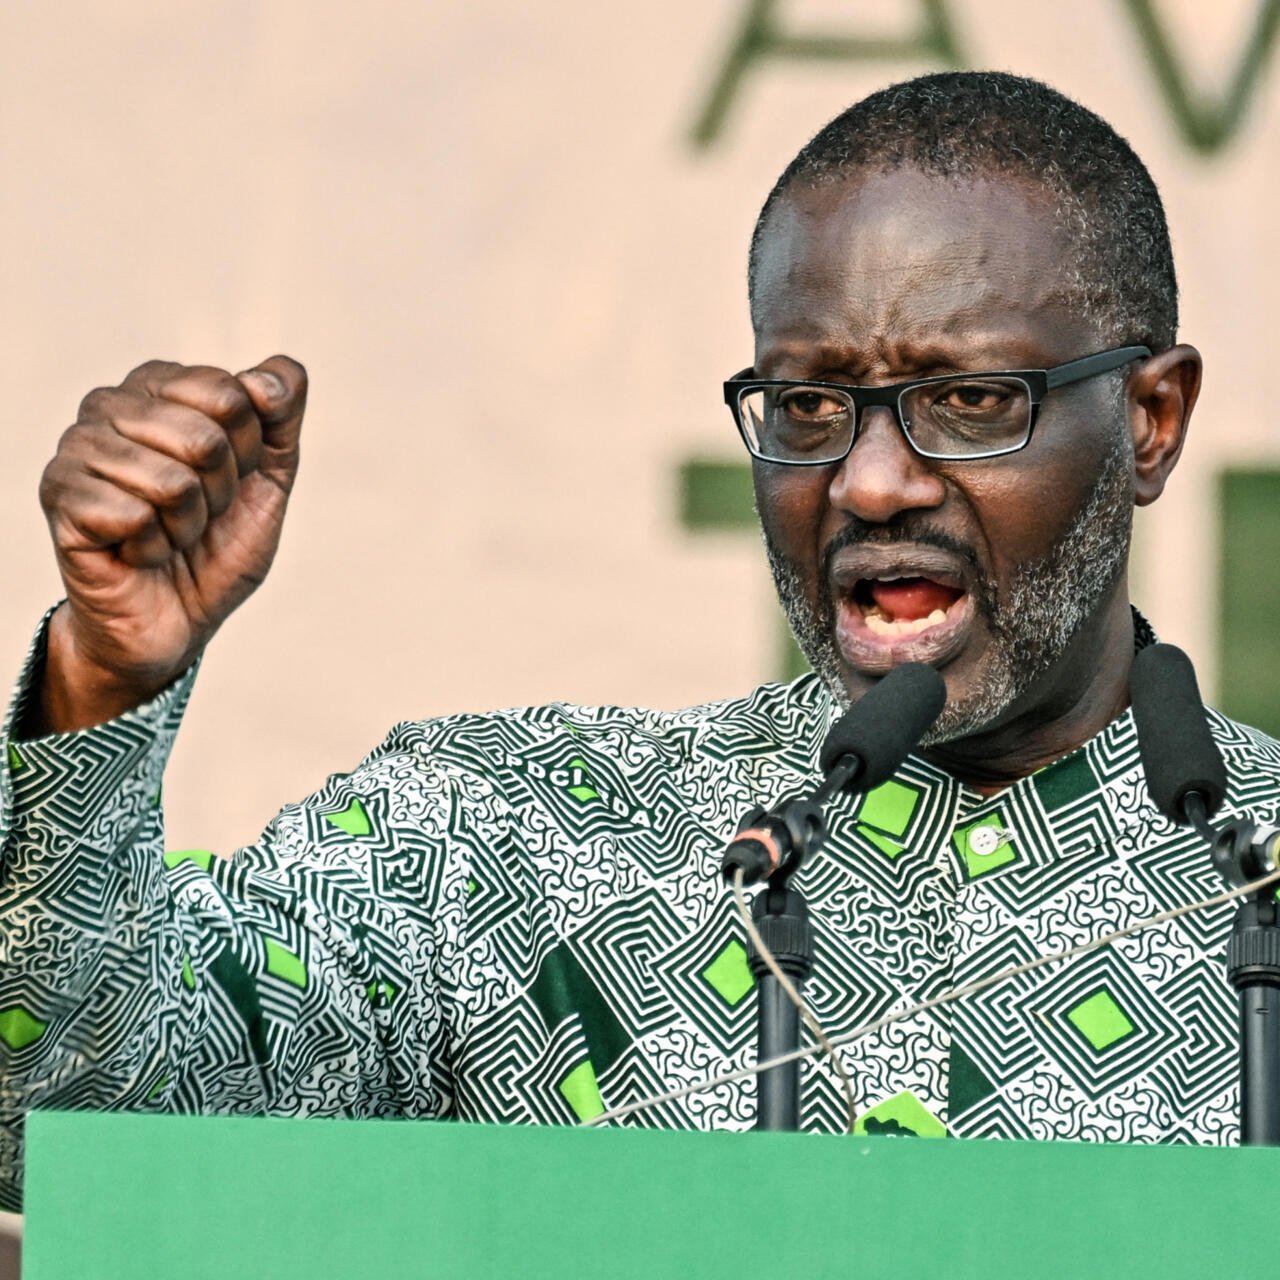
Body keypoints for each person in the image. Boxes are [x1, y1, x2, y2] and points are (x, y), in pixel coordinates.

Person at [1, 70, 1275, 1210]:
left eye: (969, 400)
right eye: (809, 403)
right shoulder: (497, 844)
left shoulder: (1251, 863)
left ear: (1149, 418)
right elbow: (59, 1126)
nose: (872, 481)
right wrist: (105, 679)